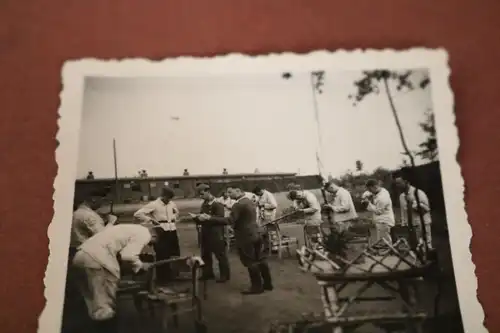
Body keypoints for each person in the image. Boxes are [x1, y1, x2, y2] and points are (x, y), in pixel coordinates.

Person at [72, 224, 158, 333]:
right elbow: (128, 255)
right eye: (150, 244)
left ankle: (95, 327)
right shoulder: (145, 234)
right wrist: (140, 265)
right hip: (96, 261)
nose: (149, 246)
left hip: (80, 256)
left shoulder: (126, 229)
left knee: (91, 302)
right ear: (154, 236)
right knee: (104, 304)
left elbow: (120, 254)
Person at [198, 186, 273, 295]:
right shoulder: (248, 201)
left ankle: (257, 286)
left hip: (245, 236)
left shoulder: (238, 205)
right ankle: (267, 284)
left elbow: (229, 220)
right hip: (256, 233)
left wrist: (209, 218)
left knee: (250, 261)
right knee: (260, 259)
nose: (228, 194)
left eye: (230, 192)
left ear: (238, 191)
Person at [133, 186, 180, 284]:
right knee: (162, 254)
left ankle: (172, 275)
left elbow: (176, 212)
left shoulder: (172, 203)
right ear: (163, 196)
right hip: (161, 230)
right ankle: (162, 278)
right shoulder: (154, 204)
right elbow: (138, 214)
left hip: (172, 229)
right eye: (167, 198)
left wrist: (174, 217)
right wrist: (150, 220)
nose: (169, 200)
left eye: (170, 199)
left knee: (174, 253)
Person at [191, 184, 231, 282]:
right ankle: (207, 273)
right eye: (199, 195)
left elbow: (221, 219)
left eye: (202, 194)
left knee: (220, 255)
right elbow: (202, 217)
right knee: (205, 255)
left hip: (216, 234)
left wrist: (209, 218)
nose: (201, 196)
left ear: (208, 191)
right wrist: (197, 218)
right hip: (205, 233)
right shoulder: (204, 204)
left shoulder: (217, 204)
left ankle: (224, 275)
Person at [71, 190, 118, 258]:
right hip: (88, 254)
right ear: (94, 199)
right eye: (103, 200)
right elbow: (102, 237)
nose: (102, 204)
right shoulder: (89, 215)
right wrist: (111, 222)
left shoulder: (78, 212)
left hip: (76, 250)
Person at [394, 174, 433, 250]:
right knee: (415, 247)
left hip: (422, 224)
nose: (397, 185)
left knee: (426, 246)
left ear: (406, 182)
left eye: (399, 183)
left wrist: (414, 203)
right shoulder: (401, 196)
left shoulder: (418, 193)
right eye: (396, 184)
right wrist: (404, 223)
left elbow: (427, 209)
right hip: (411, 226)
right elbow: (403, 211)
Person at [362, 179, 395, 248]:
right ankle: (385, 252)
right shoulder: (380, 190)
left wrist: (368, 203)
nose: (369, 191)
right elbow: (369, 193)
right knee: (381, 239)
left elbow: (378, 211)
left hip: (384, 220)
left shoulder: (382, 197)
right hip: (381, 220)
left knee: (385, 240)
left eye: (370, 189)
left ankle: (389, 253)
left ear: (374, 187)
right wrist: (366, 195)